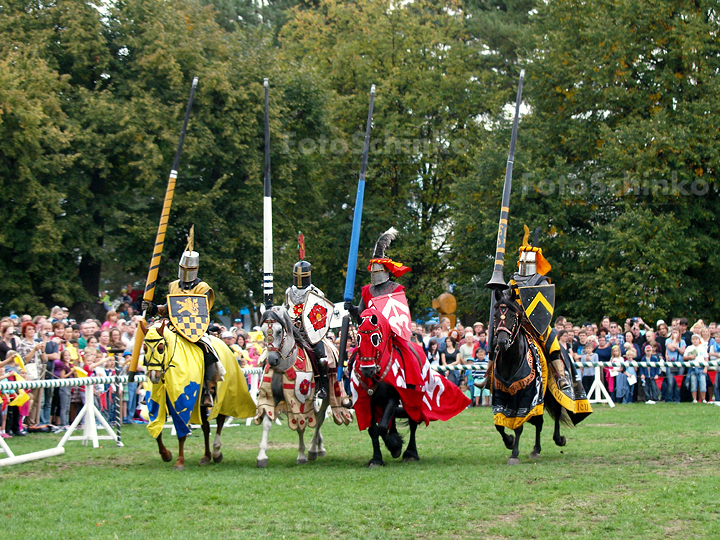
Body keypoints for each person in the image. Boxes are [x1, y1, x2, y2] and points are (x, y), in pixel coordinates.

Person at [142, 241, 223, 407]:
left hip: (195, 330)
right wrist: (154, 308)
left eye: (190, 269)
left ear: (196, 269)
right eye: (184, 268)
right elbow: (169, 308)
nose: (186, 272)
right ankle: (151, 388)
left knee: (209, 351)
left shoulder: (203, 288)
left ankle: (207, 389)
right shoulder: (173, 285)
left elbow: (202, 309)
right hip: (173, 328)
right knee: (153, 347)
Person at [283, 259, 333, 398]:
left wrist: (307, 323)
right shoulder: (289, 292)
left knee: (322, 359)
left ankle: (323, 387)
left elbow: (321, 316)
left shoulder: (316, 292)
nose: (299, 279)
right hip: (293, 331)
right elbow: (287, 309)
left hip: (311, 333)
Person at [345, 227, 411, 323]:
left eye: (377, 271)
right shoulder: (368, 291)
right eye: (373, 272)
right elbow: (360, 313)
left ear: (385, 271)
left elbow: (402, 315)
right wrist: (351, 308)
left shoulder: (396, 290)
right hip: (371, 331)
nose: (375, 275)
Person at [16, 321, 49, 427]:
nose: (32, 331)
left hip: (38, 374)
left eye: (33, 329)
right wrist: (34, 350)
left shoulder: (36, 343)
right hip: (28, 373)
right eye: (29, 329)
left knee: (37, 400)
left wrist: (43, 351)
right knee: (29, 398)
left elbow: (45, 360)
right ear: (24, 332)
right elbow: (23, 360)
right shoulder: (22, 344)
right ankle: (25, 422)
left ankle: (33, 421)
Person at [683, 334, 708, 403]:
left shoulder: (703, 348)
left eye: (696, 339)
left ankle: (703, 399)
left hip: (701, 368)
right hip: (692, 368)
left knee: (703, 384)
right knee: (693, 384)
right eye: (693, 339)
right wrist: (690, 357)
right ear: (691, 340)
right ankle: (694, 399)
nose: (695, 340)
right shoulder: (689, 348)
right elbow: (684, 357)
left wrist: (705, 368)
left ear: (699, 340)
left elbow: (706, 358)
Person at [664, 328, 686, 403]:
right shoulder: (668, 341)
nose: (675, 334)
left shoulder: (682, 342)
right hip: (671, 364)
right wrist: (674, 340)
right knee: (670, 382)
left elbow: (682, 352)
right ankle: (669, 399)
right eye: (673, 332)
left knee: (678, 382)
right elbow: (671, 349)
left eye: (676, 332)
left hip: (680, 364)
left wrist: (677, 346)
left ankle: (677, 399)